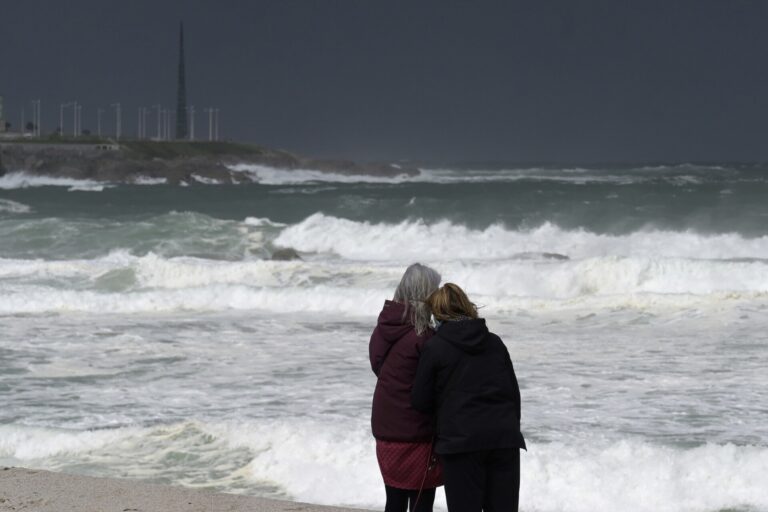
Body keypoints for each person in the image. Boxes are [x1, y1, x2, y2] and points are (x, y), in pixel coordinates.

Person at [411, 283, 526, 512]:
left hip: (460, 443)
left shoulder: (435, 348)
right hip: (504, 439)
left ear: (438, 314)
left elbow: (420, 401)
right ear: (466, 306)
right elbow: (513, 394)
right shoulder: (495, 342)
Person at [370, 263, 444, 512]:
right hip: (415, 433)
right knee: (422, 503)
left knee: (395, 500)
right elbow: (433, 387)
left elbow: (379, 367)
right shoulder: (424, 337)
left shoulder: (384, 328)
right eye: (434, 290)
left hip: (385, 429)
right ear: (425, 294)